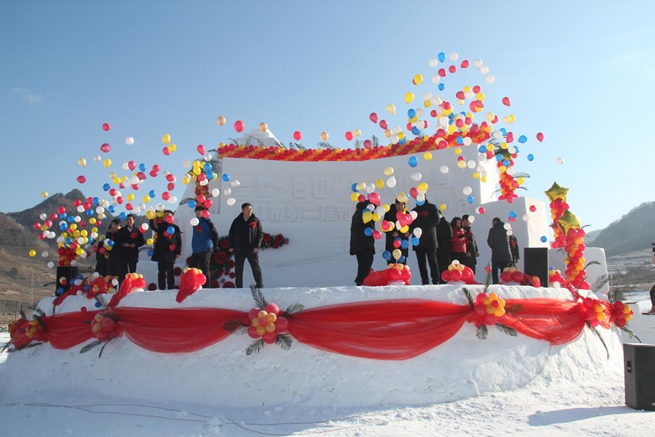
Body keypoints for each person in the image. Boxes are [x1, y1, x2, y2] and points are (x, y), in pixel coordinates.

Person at [228, 202, 264, 288]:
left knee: (255, 268)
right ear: (243, 210)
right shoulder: (237, 221)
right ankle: (239, 286)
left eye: (251, 209)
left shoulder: (255, 220)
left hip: (251, 249)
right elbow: (231, 233)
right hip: (239, 248)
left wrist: (257, 246)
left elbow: (260, 234)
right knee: (238, 269)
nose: (249, 211)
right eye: (247, 209)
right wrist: (231, 246)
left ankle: (259, 285)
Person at [411, 198, 440, 285]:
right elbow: (411, 224)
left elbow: (437, 220)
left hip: (430, 239)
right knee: (421, 262)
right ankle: (425, 281)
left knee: (432, 261)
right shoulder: (414, 211)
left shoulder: (432, 207)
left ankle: (436, 280)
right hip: (418, 240)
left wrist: (424, 227)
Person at [150, 210, 182, 290]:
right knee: (161, 272)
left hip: (171, 253)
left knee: (170, 271)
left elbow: (179, 241)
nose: (167, 217)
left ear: (172, 217)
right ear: (163, 217)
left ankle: (171, 287)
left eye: (169, 215)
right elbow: (154, 227)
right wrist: (151, 218)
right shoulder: (160, 226)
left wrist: (178, 252)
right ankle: (161, 288)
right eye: (165, 215)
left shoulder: (176, 228)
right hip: (161, 252)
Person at [189, 206, 219, 287]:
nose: (198, 213)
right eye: (196, 212)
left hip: (205, 248)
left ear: (204, 213)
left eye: (200, 212)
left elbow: (215, 234)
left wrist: (215, 246)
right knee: (192, 268)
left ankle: (206, 287)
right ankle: (192, 285)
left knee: (205, 268)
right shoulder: (195, 222)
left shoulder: (207, 222)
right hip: (196, 249)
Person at [349, 200, 375, 286]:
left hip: (357, 244)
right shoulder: (366, 212)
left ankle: (361, 283)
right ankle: (360, 280)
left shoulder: (355, 214)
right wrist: (373, 229)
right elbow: (368, 225)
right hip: (365, 244)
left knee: (361, 264)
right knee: (367, 262)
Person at [115, 213, 145, 279]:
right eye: (127, 220)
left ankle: (132, 288)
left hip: (133, 255)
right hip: (123, 255)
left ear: (133, 221)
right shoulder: (121, 231)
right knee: (122, 273)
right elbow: (117, 241)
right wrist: (123, 244)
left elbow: (142, 241)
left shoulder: (138, 231)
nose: (128, 221)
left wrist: (135, 244)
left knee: (133, 273)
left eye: (130, 220)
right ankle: (122, 288)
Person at [487, 217, 514, 284]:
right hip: (506, 254)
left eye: (492, 222)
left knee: (495, 270)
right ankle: (504, 283)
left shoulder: (492, 230)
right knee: (504, 270)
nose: (492, 224)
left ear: (495, 222)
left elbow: (489, 241)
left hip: (496, 253)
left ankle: (495, 283)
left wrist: (494, 248)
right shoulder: (506, 228)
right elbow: (511, 239)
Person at [384, 197, 409, 265]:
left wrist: (409, 232)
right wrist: (392, 233)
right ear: (395, 204)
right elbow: (384, 227)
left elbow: (411, 226)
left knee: (402, 265)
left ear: (404, 205)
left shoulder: (407, 214)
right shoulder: (389, 214)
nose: (400, 207)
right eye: (398, 205)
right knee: (391, 265)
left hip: (403, 244)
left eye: (401, 205)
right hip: (391, 243)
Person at [435, 210, 452, 283]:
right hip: (437, 249)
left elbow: (450, 235)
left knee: (445, 266)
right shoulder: (435, 224)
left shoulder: (446, 223)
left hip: (445, 248)